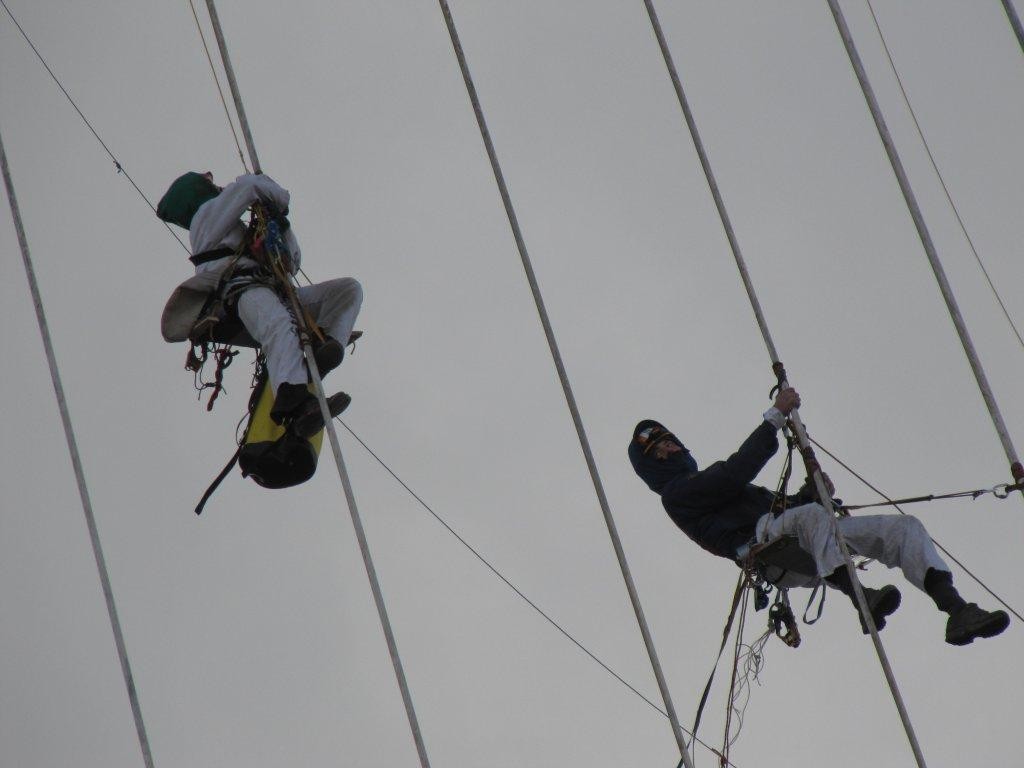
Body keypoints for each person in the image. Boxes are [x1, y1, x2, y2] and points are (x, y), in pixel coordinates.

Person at [628, 387, 1010, 645]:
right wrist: (774, 418)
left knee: (901, 528)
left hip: (801, 542)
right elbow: (735, 472)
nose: (669, 447)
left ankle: (956, 610)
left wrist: (811, 493)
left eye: (668, 440)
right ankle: (862, 599)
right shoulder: (678, 495)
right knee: (811, 516)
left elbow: (785, 510)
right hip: (764, 551)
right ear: (652, 468)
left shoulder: (719, 488)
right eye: (659, 448)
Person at [158, 171, 362, 438]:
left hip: (274, 291)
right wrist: (277, 196)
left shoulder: (233, 228)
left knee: (347, 290)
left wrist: (280, 224)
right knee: (277, 325)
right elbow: (251, 186)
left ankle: (326, 344)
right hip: (245, 292)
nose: (216, 183)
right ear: (197, 193)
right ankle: (296, 405)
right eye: (208, 182)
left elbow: (292, 264)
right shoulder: (204, 218)